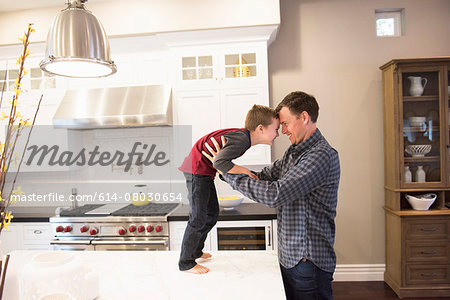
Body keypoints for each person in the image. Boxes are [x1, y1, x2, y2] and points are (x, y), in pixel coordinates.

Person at [204, 91, 340, 299]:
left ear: (304, 117)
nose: (282, 131)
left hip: (307, 262)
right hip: (291, 258)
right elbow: (263, 177)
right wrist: (227, 167)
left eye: (285, 124)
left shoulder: (320, 156)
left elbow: (275, 194)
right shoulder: (294, 152)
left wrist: (228, 173)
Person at [178, 104, 280, 274]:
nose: (278, 133)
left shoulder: (242, 137)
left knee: (211, 214)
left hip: (202, 171)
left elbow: (219, 163)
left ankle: (195, 251)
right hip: (196, 170)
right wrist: (245, 170)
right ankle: (186, 262)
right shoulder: (242, 140)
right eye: (275, 129)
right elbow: (219, 163)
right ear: (261, 128)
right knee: (198, 217)